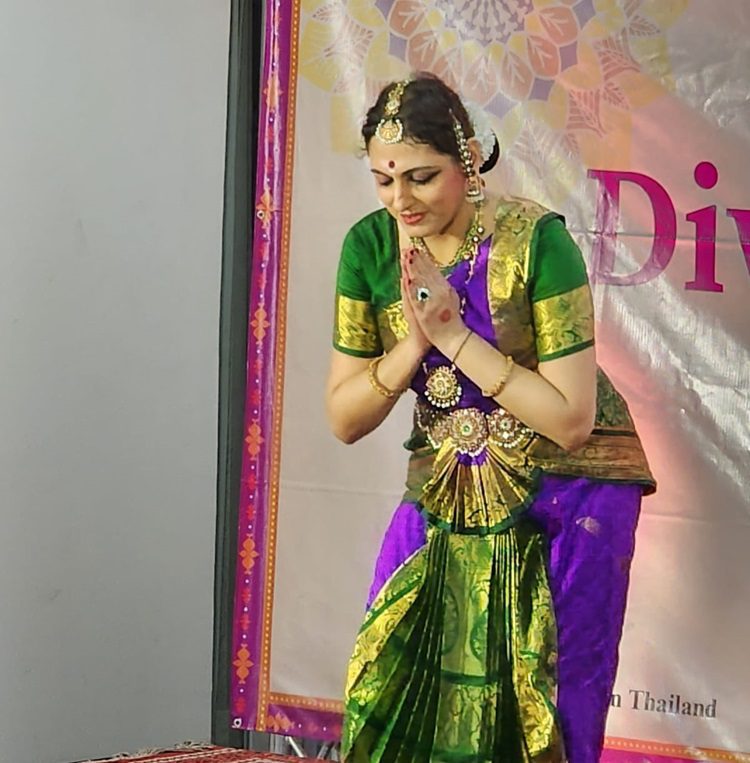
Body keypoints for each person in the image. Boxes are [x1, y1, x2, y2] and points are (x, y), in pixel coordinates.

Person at [325, 73, 654, 763]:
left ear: (469, 161)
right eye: (384, 180)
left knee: (550, 700)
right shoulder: (371, 251)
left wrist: (453, 338)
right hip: (445, 481)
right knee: (389, 677)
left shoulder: (538, 244)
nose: (400, 200)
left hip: (569, 486)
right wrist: (415, 341)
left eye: (421, 177)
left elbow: (571, 419)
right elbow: (345, 416)